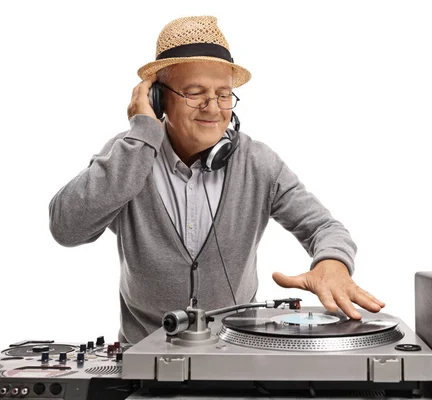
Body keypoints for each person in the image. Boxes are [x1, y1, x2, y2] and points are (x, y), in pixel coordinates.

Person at [49, 16, 384, 344]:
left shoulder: (258, 162)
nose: (213, 109)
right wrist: (140, 137)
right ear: (157, 98)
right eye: (195, 93)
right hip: (143, 365)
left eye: (224, 94)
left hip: (236, 359)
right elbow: (67, 227)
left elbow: (325, 228)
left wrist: (332, 263)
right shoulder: (129, 156)